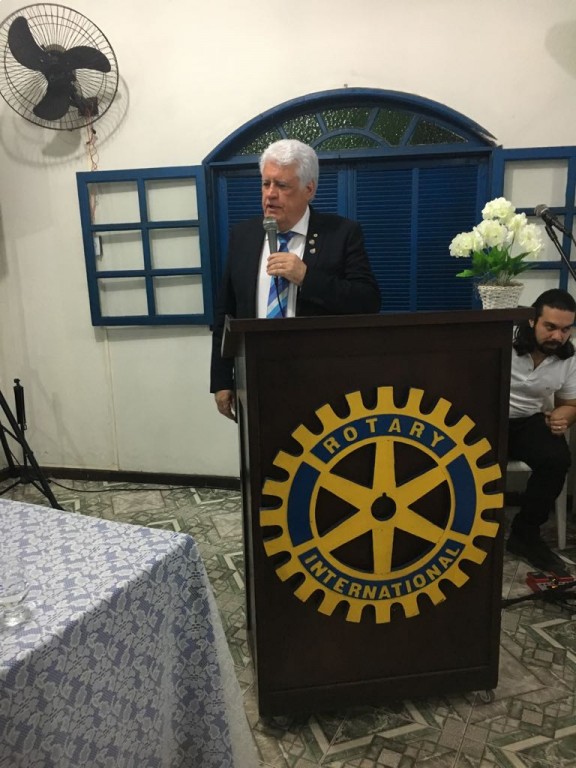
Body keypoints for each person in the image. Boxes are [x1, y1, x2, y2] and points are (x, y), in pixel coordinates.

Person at [210, 139, 381, 419]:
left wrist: (306, 277)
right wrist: (221, 380)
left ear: (309, 189)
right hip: (254, 379)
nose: (270, 194)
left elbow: (367, 301)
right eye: (266, 184)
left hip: (322, 382)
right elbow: (225, 313)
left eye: (282, 185)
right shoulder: (243, 236)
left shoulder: (341, 233)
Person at [507, 288, 576, 575]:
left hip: (528, 420)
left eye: (566, 329)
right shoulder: (504, 340)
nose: (558, 336)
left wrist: (565, 416)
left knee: (557, 459)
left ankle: (525, 534)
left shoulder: (567, 357)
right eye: (550, 327)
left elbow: (569, 404)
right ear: (532, 320)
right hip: (488, 416)